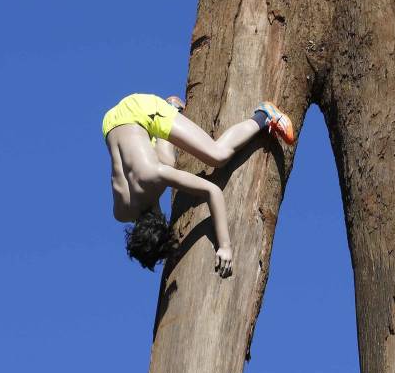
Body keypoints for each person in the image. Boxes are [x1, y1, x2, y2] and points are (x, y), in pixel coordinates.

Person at [102, 92, 295, 277]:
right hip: (111, 124)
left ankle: (264, 115)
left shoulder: (154, 175)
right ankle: (171, 108)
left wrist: (225, 246)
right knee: (167, 165)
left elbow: (212, 190)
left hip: (140, 110)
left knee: (217, 155)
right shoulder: (121, 213)